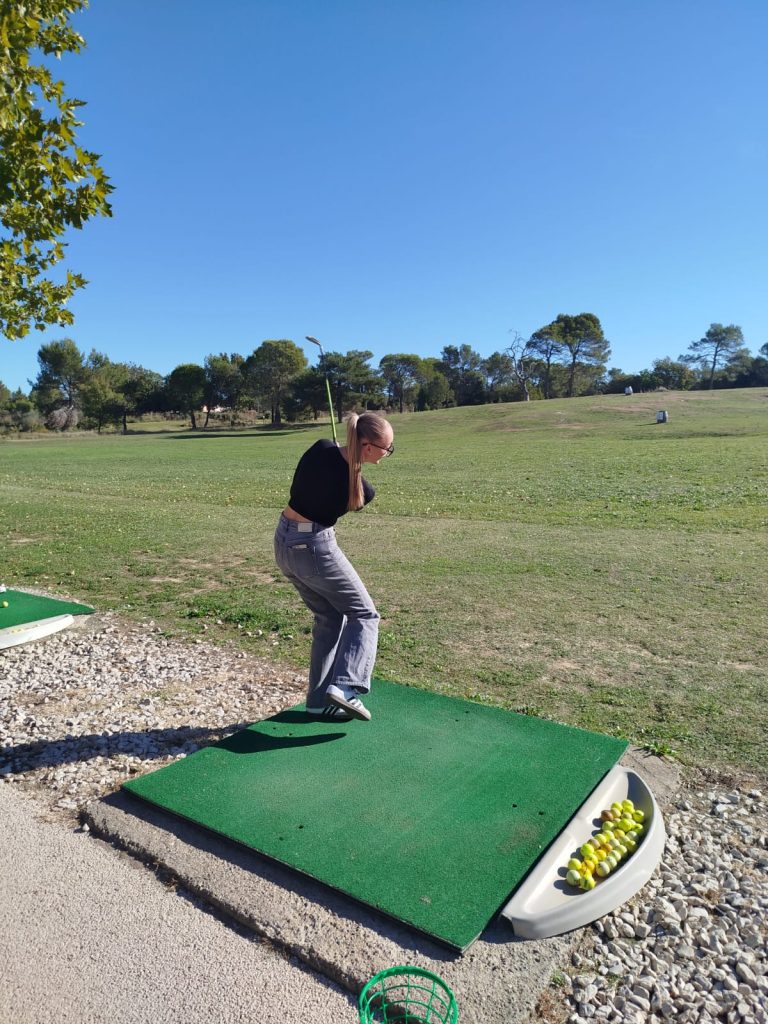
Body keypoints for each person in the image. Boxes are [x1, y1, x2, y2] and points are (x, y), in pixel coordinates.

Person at [274, 412, 395, 722]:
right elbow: (346, 480)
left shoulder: (320, 447)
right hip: (315, 549)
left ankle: (318, 701)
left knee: (329, 617)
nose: (389, 453)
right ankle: (346, 686)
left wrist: (343, 455)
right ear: (368, 447)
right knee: (365, 614)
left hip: (284, 543)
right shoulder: (363, 491)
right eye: (388, 448)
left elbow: (319, 470)